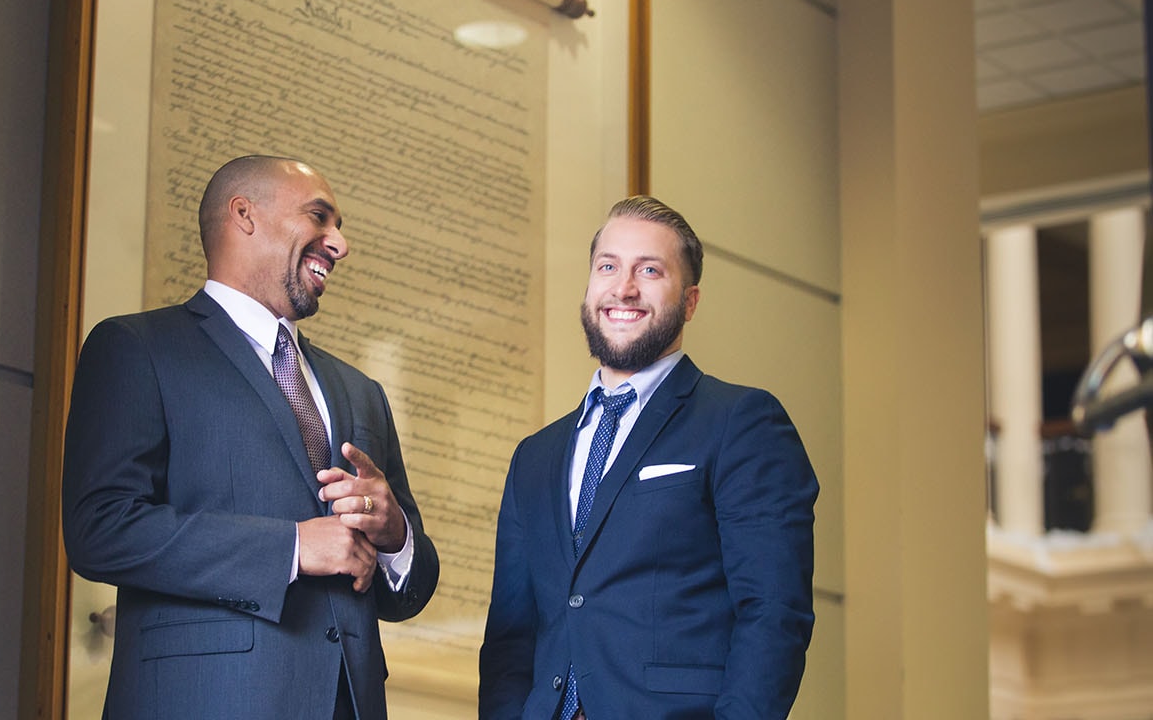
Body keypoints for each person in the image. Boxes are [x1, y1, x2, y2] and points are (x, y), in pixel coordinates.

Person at [62, 155, 439, 720]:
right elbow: (100, 530)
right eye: (320, 217)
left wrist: (396, 535)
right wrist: (292, 547)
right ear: (245, 215)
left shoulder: (362, 392)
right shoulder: (138, 349)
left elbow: (410, 590)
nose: (340, 244)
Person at [479, 195, 818, 719]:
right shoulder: (535, 457)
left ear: (690, 301)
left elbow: (774, 613)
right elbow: (509, 637)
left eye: (650, 270)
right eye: (608, 266)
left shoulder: (741, 422)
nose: (624, 287)